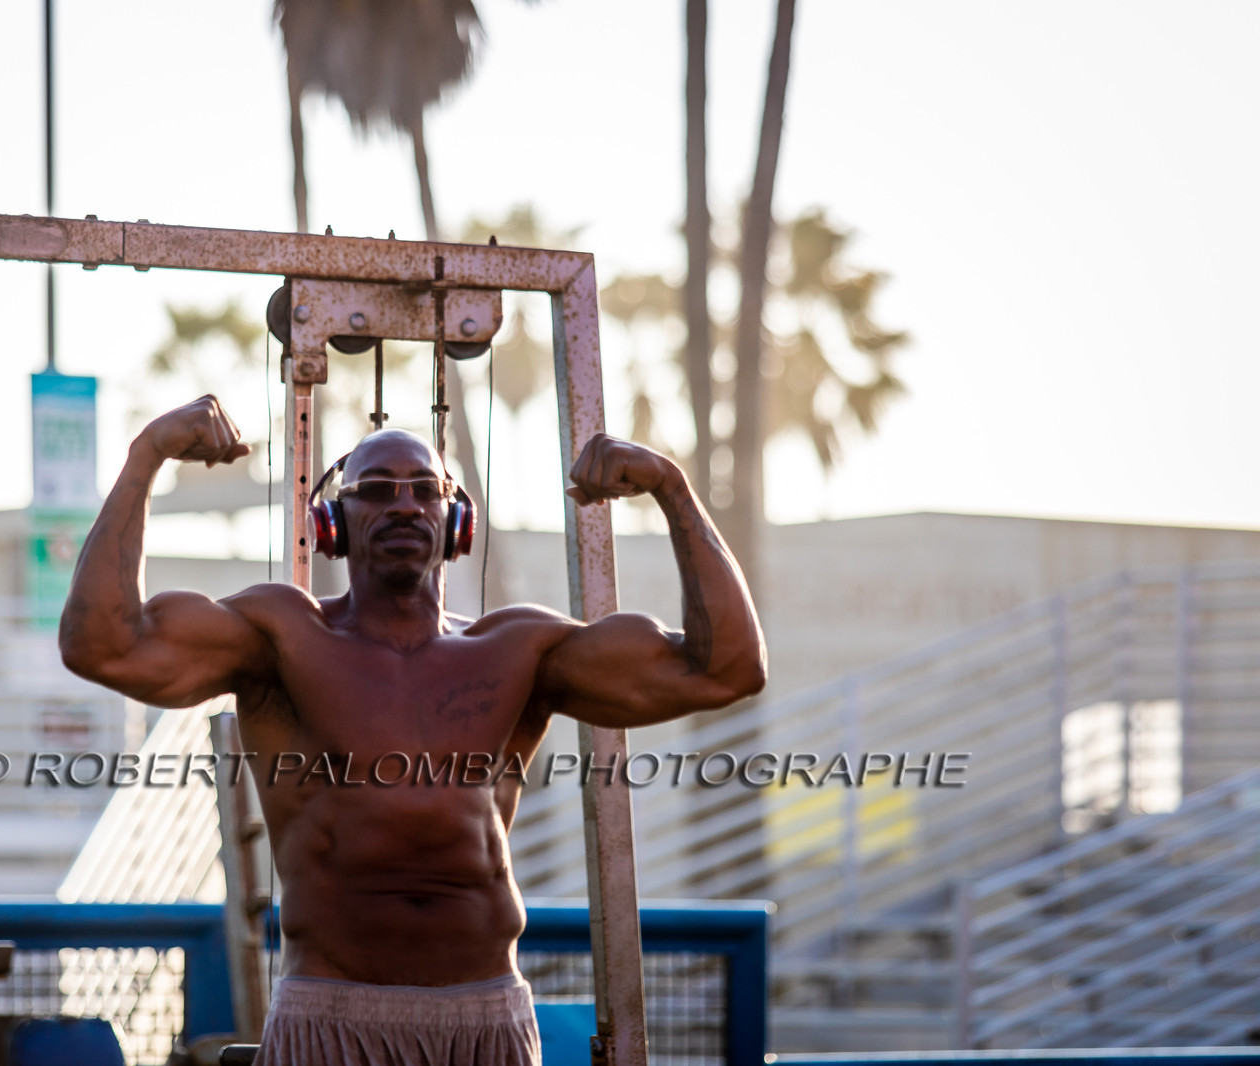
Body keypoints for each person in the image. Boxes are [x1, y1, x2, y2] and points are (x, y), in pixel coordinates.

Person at [59, 394, 765, 1066]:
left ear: (456, 521)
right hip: (332, 1015)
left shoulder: (519, 649)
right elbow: (103, 647)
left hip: (485, 1020)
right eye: (376, 490)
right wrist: (146, 454)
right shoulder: (281, 635)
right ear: (333, 521)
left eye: (425, 490)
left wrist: (672, 487)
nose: (403, 504)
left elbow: (726, 670)